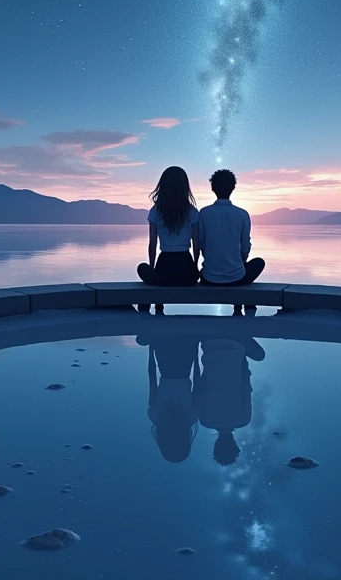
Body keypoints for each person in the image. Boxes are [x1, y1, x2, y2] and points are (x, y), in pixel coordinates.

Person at [198, 169, 265, 312]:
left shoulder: (204, 213)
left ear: (212, 188)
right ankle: (239, 305)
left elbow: (201, 244)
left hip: (209, 278)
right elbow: (245, 247)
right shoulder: (242, 214)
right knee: (258, 263)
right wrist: (238, 261)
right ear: (233, 188)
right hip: (236, 277)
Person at [196, 335, 265, 466]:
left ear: (234, 444)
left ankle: (238, 323)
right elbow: (201, 385)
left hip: (236, 344)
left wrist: (240, 354)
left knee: (260, 356)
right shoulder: (204, 420)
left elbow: (245, 383)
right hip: (209, 345)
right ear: (216, 445)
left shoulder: (244, 419)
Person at [137, 167, 200, 304]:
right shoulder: (193, 212)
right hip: (187, 272)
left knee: (142, 268)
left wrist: (152, 268)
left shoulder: (155, 212)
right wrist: (195, 266)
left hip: (163, 269)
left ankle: (158, 306)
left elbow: (152, 244)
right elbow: (196, 244)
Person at [138, 332, 200, 463]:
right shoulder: (155, 416)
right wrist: (151, 349)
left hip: (185, 360)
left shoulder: (192, 417)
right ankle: (157, 313)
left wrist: (195, 349)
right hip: (164, 361)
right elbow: (152, 379)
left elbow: (197, 381)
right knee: (149, 336)